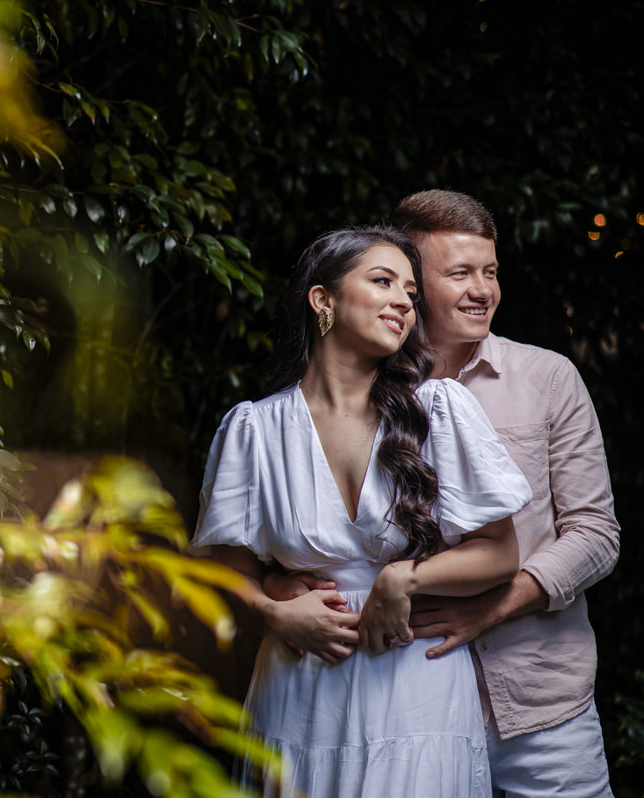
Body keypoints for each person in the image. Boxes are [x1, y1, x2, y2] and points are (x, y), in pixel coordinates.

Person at [193, 225, 532, 797]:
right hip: (299, 687)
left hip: (414, 684)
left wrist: (403, 578)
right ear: (322, 299)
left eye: (409, 291)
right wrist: (272, 615)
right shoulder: (254, 428)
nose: (403, 299)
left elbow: (502, 552)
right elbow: (224, 575)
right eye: (382, 282)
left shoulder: (439, 409)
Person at [391, 190, 620, 797]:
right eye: (460, 273)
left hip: (543, 706)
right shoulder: (368, 391)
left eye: (490, 271)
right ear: (410, 285)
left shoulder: (547, 377)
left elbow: (596, 534)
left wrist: (492, 606)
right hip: (407, 698)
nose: (483, 289)